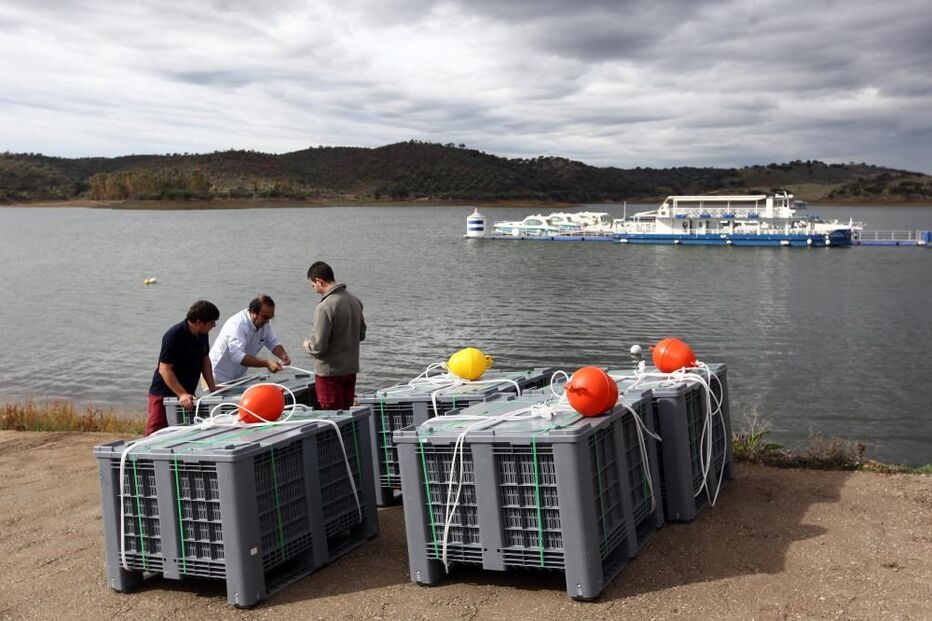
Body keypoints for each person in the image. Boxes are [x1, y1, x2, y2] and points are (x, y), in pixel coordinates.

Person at [146, 300, 220, 436]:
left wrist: (212, 387)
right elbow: (164, 369)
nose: (214, 325)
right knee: (156, 433)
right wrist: (181, 394)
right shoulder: (173, 335)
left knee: (183, 433)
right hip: (163, 394)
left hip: (187, 395)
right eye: (211, 322)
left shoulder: (203, 334)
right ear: (199, 322)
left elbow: (205, 360)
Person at [303, 261, 366, 410]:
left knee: (331, 413)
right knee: (346, 413)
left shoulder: (324, 307)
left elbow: (319, 347)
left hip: (329, 373)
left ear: (319, 281)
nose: (315, 290)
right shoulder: (354, 301)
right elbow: (361, 334)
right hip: (350, 369)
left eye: (313, 286)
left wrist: (308, 346)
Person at [209, 295, 292, 384]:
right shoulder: (237, 324)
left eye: (270, 317)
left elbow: (272, 342)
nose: (268, 321)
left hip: (238, 377)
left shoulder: (265, 323)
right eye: (265, 317)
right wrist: (267, 363)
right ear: (253, 312)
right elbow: (237, 356)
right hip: (215, 376)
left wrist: (283, 356)